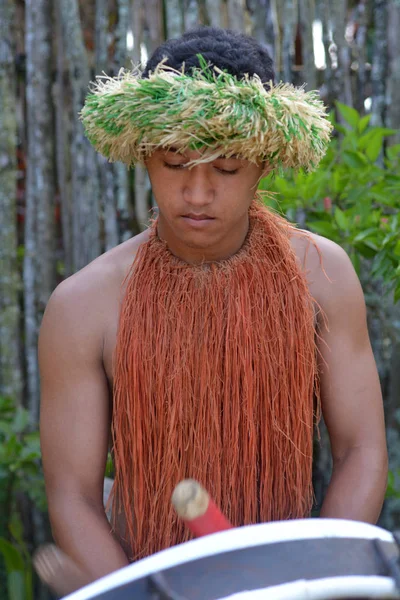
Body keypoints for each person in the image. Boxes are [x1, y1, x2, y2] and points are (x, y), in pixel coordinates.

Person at [34, 26, 388, 596]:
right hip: (145, 576)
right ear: (144, 154)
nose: (197, 195)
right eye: (175, 165)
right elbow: (74, 496)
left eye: (224, 169)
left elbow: (362, 449)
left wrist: (308, 575)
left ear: (264, 161)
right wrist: (138, 590)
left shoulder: (322, 278)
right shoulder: (84, 306)